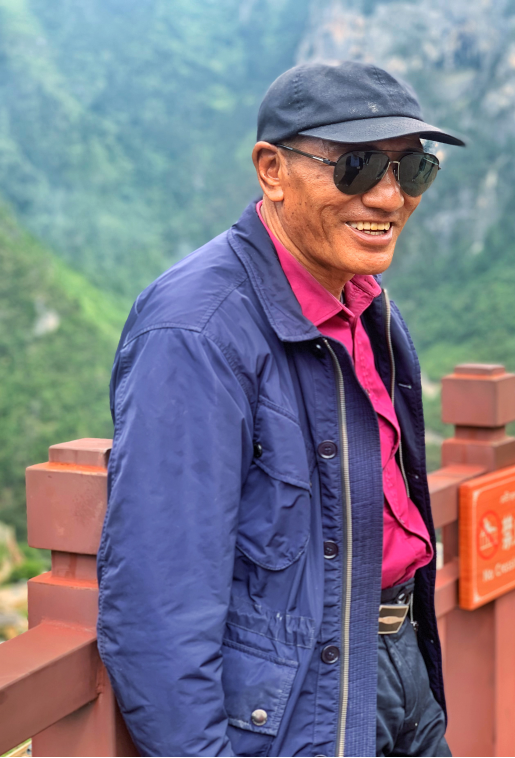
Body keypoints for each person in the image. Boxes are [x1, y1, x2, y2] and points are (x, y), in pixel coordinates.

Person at [97, 61, 465, 757]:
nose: (389, 196)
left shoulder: (363, 302)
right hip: (298, 705)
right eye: (357, 166)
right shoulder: (197, 333)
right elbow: (158, 602)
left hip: (399, 661)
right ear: (272, 169)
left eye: (413, 168)